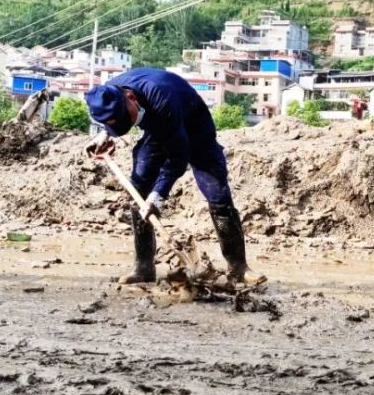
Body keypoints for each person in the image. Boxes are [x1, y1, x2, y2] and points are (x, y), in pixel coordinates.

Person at [83, 67, 264, 285]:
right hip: (158, 129)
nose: (124, 124)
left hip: (194, 125)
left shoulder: (161, 99)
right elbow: (114, 119)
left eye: (124, 118)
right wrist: (104, 135)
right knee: (139, 189)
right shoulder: (110, 92)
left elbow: (178, 159)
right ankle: (143, 267)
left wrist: (158, 196)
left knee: (217, 192)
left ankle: (239, 268)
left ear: (130, 97)